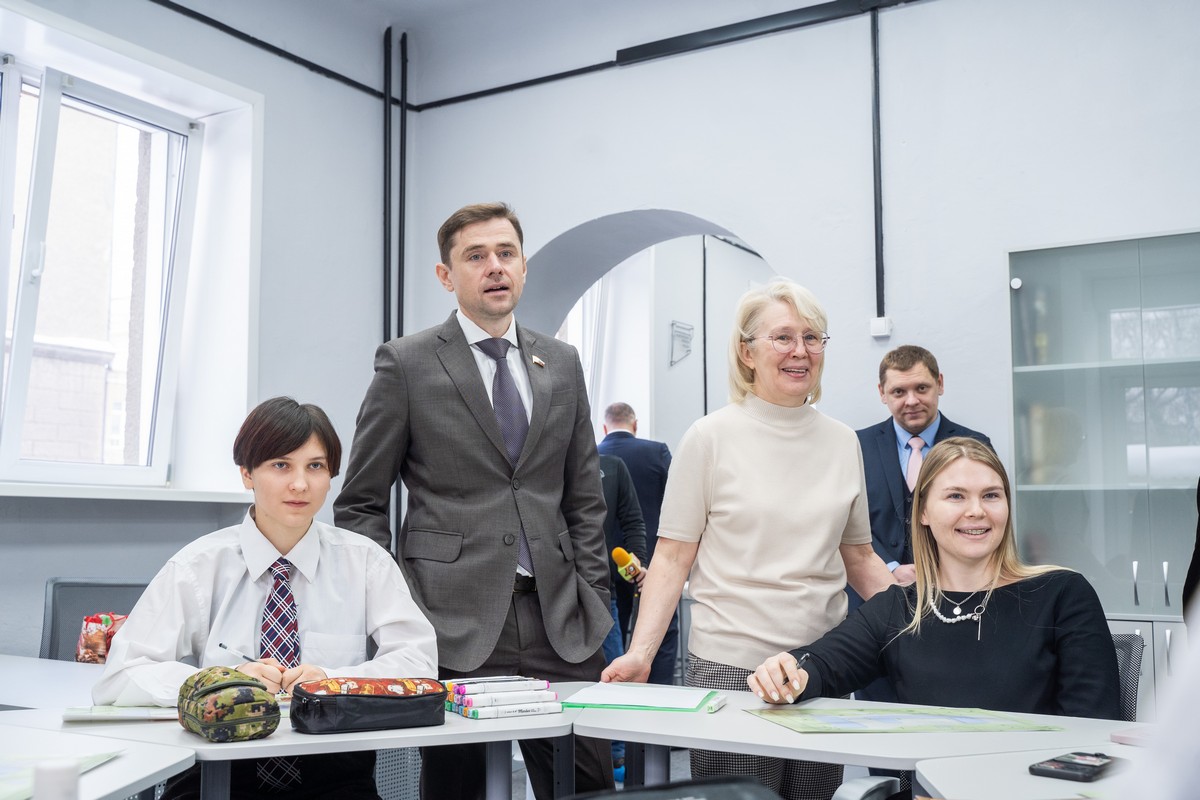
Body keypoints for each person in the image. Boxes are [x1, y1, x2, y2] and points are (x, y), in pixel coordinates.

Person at [333, 202, 613, 800]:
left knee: (586, 783)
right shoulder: (406, 363)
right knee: (457, 788)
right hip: (451, 622)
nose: (494, 267)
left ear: (523, 266)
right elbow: (360, 503)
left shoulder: (561, 362)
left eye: (506, 253)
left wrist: (594, 592)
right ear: (446, 275)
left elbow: (585, 497)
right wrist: (396, 610)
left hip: (560, 620)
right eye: (476, 256)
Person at [603, 278, 897, 800]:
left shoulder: (842, 442)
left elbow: (859, 558)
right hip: (729, 668)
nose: (800, 350)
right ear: (747, 352)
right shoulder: (709, 438)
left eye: (812, 337)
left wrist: (922, 627)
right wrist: (641, 653)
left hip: (821, 667)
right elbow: (672, 557)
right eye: (783, 337)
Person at [94, 397, 438, 800]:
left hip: (335, 776)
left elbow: (419, 663)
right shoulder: (197, 566)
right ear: (247, 474)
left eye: (316, 466)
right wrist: (222, 684)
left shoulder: (365, 562)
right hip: (216, 771)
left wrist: (334, 682)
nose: (300, 484)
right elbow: (119, 677)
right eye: (281, 465)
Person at [748, 438, 1120, 791]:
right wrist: (787, 673)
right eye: (956, 496)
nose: (976, 510)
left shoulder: (1062, 593)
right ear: (924, 511)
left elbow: (1092, 729)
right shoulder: (899, 608)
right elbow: (821, 666)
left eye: (991, 495)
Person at [597, 401, 677, 683]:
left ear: (604, 427)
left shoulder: (592, 457)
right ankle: (659, 693)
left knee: (613, 635)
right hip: (649, 563)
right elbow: (678, 502)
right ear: (635, 425)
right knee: (661, 631)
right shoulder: (656, 452)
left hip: (603, 567)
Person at [598, 452, 648, 782]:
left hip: (604, 591)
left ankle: (617, 753)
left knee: (615, 670)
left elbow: (633, 522)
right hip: (553, 591)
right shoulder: (550, 458)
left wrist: (638, 562)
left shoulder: (612, 466)